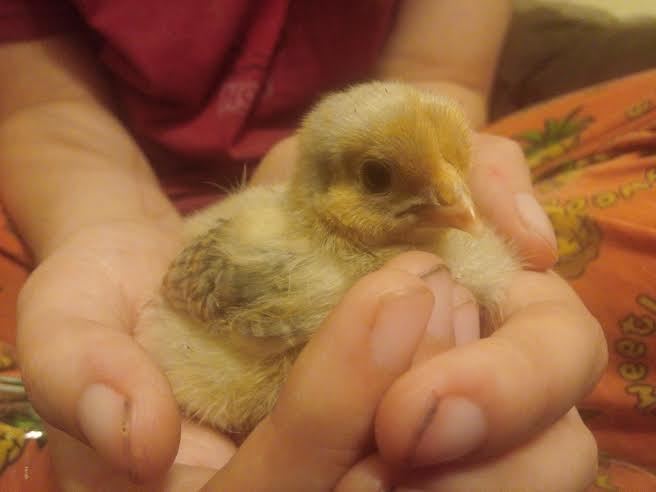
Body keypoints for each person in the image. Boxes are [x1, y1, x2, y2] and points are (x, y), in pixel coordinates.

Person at [0, 0, 620, 490]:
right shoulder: (291, 267)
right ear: (327, 183)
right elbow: (45, 111)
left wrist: (429, 177)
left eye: (455, 174)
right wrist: (104, 228)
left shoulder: (462, 244)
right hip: (99, 190)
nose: (456, 201)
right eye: (377, 178)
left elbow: (438, 76)